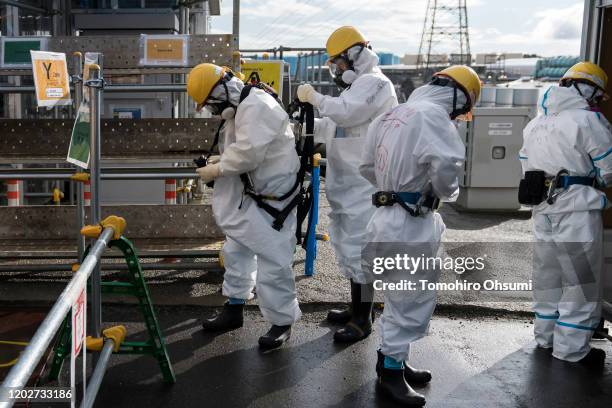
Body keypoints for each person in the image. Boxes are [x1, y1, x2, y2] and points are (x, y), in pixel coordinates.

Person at [360, 66, 481, 406]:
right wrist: (437, 193)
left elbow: (366, 167)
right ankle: (390, 371)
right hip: (412, 221)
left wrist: (393, 188)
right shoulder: (434, 117)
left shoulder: (390, 115)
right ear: (458, 96)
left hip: (384, 217)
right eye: (461, 109)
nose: (458, 115)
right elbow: (446, 170)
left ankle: (396, 359)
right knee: (411, 297)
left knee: (401, 295)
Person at [186, 63, 302, 349]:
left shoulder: (256, 106)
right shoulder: (242, 108)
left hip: (274, 198)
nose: (213, 111)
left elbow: (249, 153)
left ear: (223, 91)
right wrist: (218, 163)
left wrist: (217, 170)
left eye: (212, 105)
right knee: (236, 248)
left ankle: (281, 322)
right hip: (253, 192)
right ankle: (234, 307)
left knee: (274, 261)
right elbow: (241, 150)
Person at [296, 26, 398, 343]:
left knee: (362, 250)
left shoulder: (376, 84)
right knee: (348, 246)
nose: (337, 71)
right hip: (348, 182)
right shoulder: (357, 88)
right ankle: (356, 307)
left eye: (338, 63)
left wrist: (314, 97)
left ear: (354, 55)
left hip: (366, 183)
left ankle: (363, 320)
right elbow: (333, 124)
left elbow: (347, 114)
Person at [519, 61, 612, 367]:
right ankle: (571, 350)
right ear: (589, 90)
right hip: (577, 209)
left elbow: (525, 164)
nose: (597, 101)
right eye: (597, 95)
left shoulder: (536, 124)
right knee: (579, 280)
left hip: (543, 208)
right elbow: (608, 171)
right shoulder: (588, 121)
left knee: (549, 276)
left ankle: (546, 338)